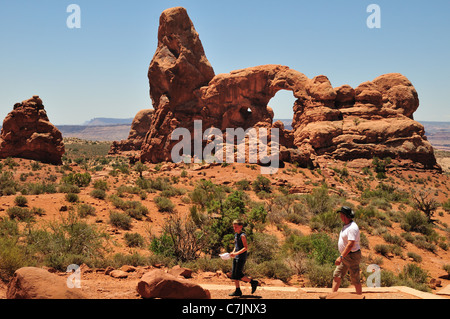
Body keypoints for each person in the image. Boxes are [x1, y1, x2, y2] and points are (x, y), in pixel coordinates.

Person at [332, 206, 363, 295]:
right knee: (337, 275)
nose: (340, 216)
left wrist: (341, 257)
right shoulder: (347, 225)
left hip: (351, 256)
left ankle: (359, 297)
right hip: (345, 256)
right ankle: (332, 296)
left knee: (355, 279)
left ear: (345, 216)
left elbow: (350, 244)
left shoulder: (352, 228)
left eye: (341, 214)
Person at [229, 219, 259, 297]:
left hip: (241, 257)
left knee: (238, 274)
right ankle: (238, 290)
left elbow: (245, 248)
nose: (234, 228)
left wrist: (236, 253)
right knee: (234, 274)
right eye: (233, 227)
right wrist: (233, 252)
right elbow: (236, 246)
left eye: (236, 227)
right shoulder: (236, 235)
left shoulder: (242, 235)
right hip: (236, 256)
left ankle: (253, 282)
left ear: (241, 227)